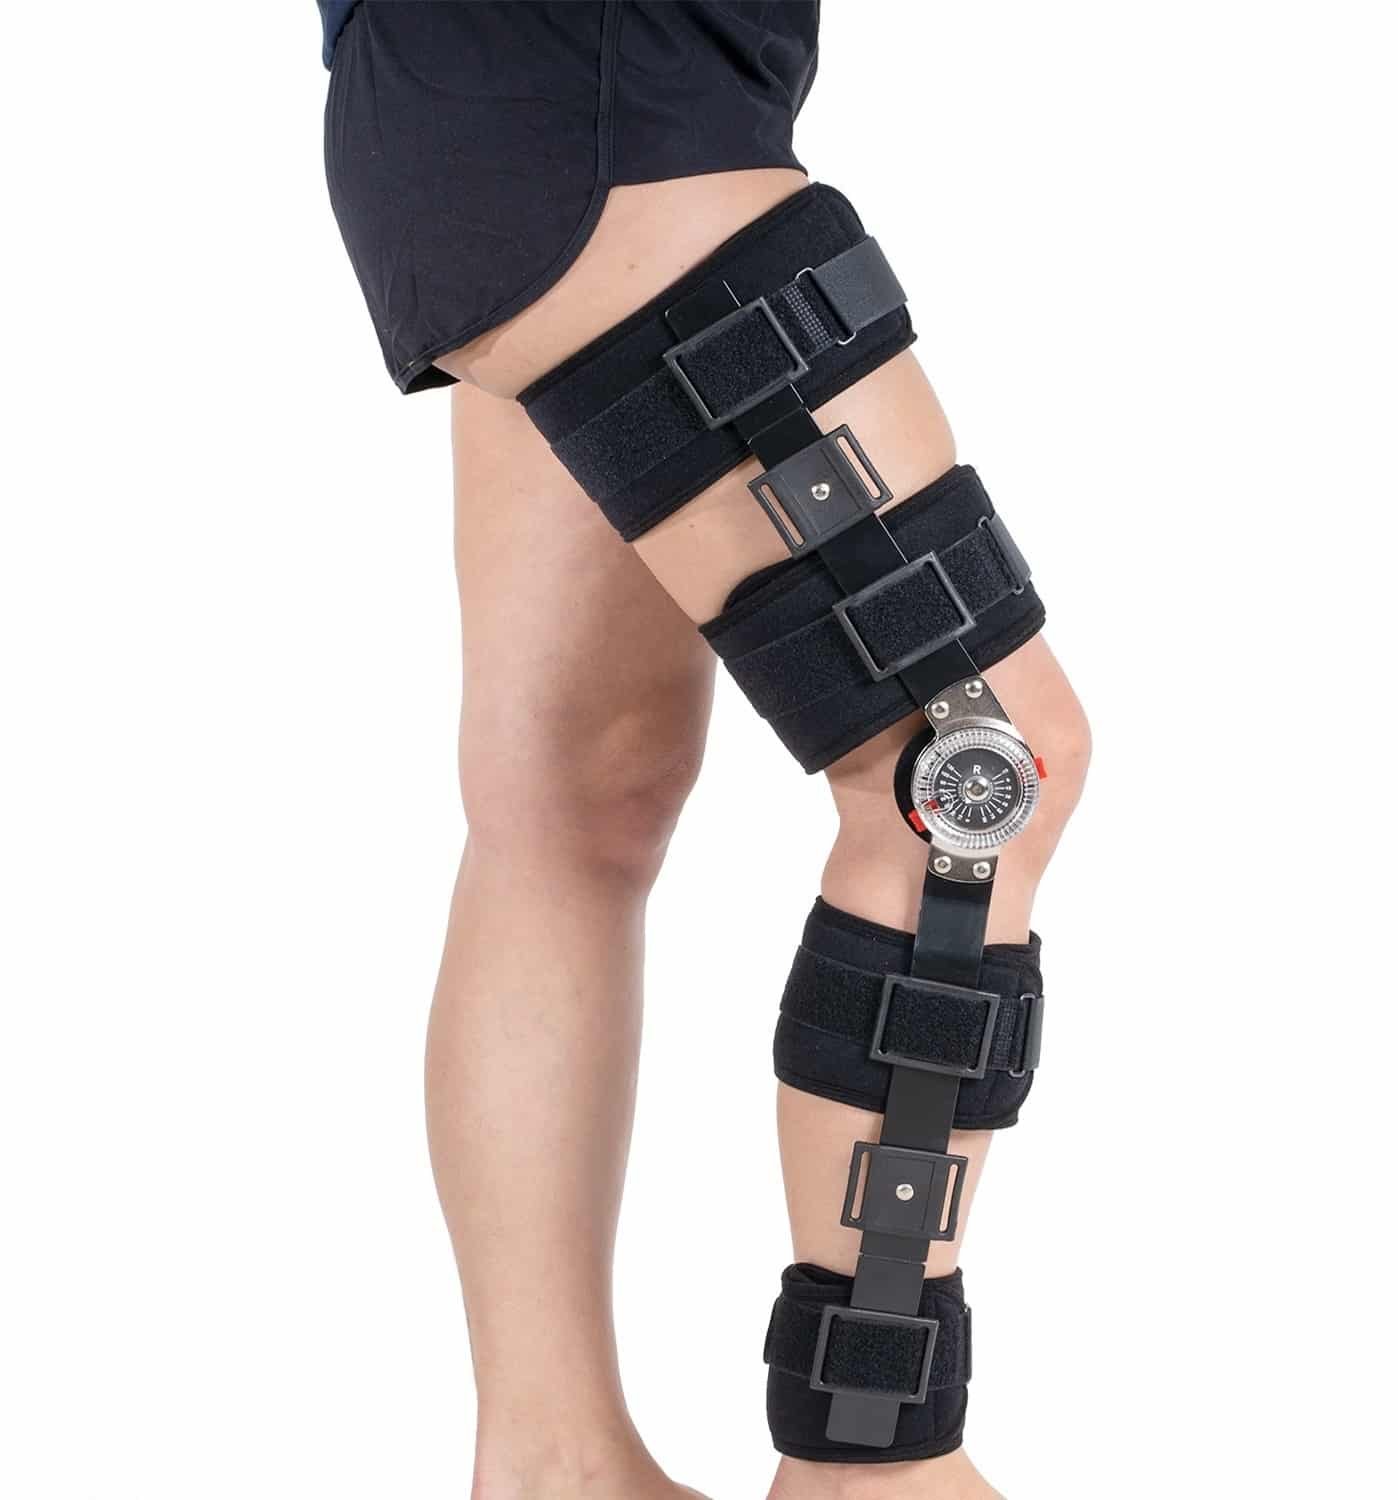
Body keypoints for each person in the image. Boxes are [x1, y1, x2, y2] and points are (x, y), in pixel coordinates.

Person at [320, 5, 1090, 1498]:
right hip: (600, 107)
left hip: (510, 108)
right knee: (966, 765)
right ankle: (871, 1465)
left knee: (571, 801)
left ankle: (554, 1470)